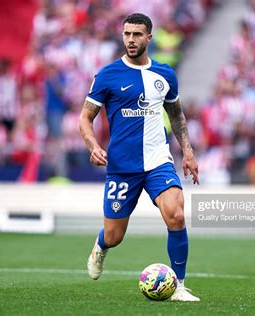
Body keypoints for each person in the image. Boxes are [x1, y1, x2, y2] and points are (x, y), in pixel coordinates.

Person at [79, 13, 200, 302]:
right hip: (122, 167)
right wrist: (92, 145)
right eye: (127, 34)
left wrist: (188, 151)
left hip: (158, 160)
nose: (131, 40)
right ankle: (100, 246)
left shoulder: (165, 74)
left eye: (137, 35)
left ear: (149, 37)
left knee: (176, 214)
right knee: (114, 235)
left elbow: (177, 116)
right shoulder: (108, 74)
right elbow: (85, 117)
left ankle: (179, 286)